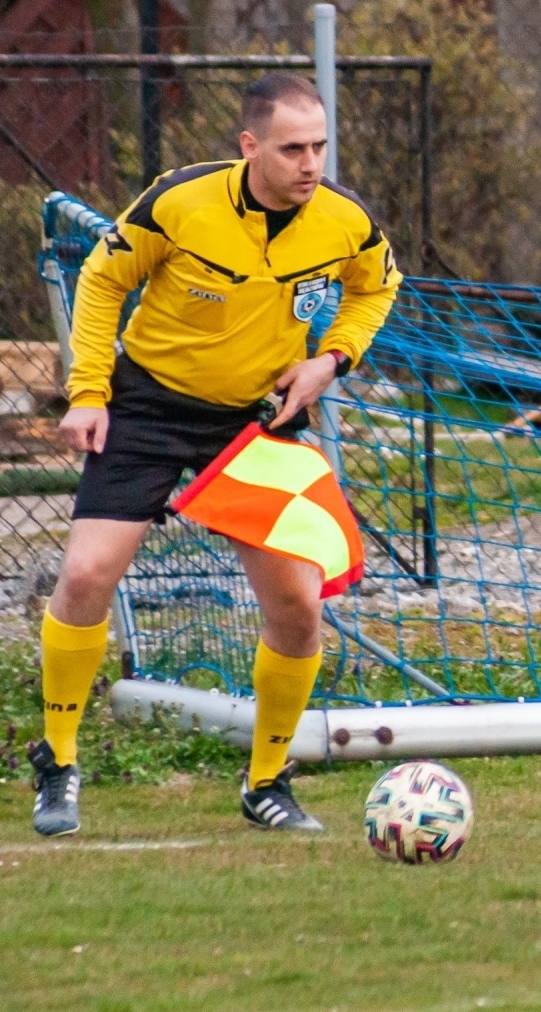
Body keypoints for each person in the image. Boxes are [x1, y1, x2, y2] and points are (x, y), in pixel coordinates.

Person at [30, 73, 401, 837]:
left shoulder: (345, 222)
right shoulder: (181, 201)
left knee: (298, 606)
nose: (310, 164)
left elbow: (377, 290)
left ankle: (267, 779)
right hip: (147, 405)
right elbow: (102, 280)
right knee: (86, 574)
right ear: (249, 145)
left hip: (254, 422)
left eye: (320, 147)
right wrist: (89, 389)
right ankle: (58, 759)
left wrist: (331, 360)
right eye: (293, 148)